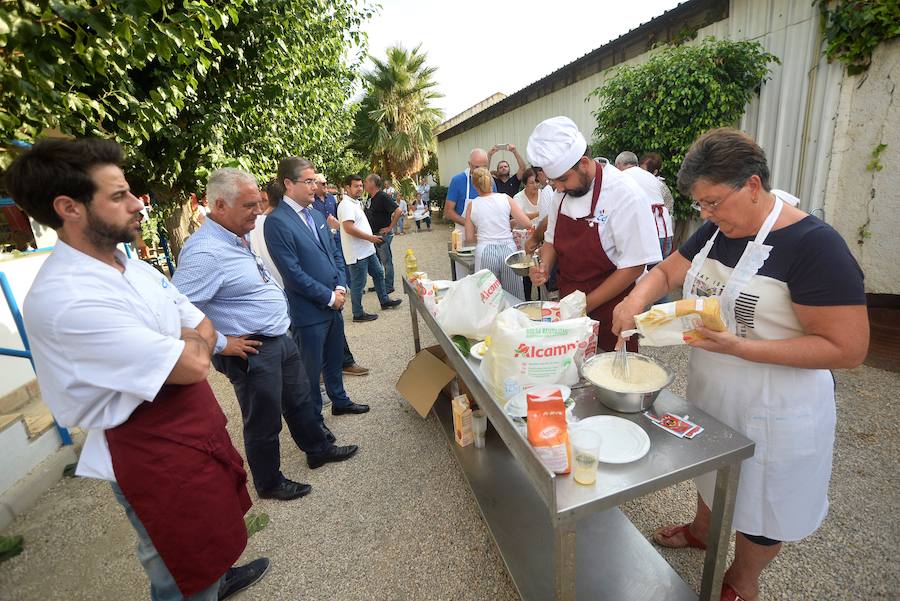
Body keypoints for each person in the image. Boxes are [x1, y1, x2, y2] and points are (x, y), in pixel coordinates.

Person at [611, 128, 869, 601]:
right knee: (713, 468)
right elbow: (670, 270)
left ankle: (741, 579)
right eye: (700, 206)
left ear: (752, 185)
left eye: (713, 202)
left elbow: (848, 348)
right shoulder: (718, 230)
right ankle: (703, 531)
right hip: (718, 385)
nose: (705, 215)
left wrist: (740, 348)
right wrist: (634, 299)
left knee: (768, 498)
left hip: (779, 404)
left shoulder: (814, 245)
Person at [6, 138, 268, 601]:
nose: (137, 205)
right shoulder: (68, 298)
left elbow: (201, 323)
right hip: (148, 448)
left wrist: (189, 342)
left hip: (189, 427)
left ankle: (220, 577)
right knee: (179, 568)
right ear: (69, 207)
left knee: (214, 532)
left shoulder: (128, 264)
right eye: (118, 196)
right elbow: (194, 362)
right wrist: (190, 343)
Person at [173, 168, 359, 494]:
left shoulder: (235, 236)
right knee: (264, 418)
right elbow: (177, 311)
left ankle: (318, 450)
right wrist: (220, 343)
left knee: (300, 400)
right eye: (248, 205)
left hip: (278, 338)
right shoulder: (204, 252)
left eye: (258, 202)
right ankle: (269, 482)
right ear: (218, 206)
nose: (258, 211)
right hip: (251, 348)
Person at [526, 116, 661, 351]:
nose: (557, 188)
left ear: (584, 163)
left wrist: (586, 304)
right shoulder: (561, 194)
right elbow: (551, 241)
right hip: (571, 303)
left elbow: (634, 266)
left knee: (608, 376)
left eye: (563, 179)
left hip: (612, 308)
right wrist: (544, 267)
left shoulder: (625, 194)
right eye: (553, 181)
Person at [265, 157, 370, 443]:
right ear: (288, 183)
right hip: (309, 311)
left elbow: (334, 253)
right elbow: (293, 273)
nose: (315, 186)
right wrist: (328, 297)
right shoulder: (276, 222)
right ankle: (315, 423)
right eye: (308, 181)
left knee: (334, 358)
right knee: (310, 373)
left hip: (333, 302)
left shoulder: (316, 214)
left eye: (315, 181)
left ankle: (340, 400)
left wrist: (341, 286)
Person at [312, 173, 370, 376]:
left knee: (335, 323)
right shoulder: (282, 221)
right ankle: (320, 371)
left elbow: (333, 246)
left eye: (319, 182)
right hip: (313, 287)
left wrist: (338, 285)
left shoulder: (328, 201)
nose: (324, 187)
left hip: (333, 257)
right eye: (319, 183)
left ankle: (344, 363)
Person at [338, 174, 402, 322]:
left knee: (379, 273)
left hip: (367, 250)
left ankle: (384, 301)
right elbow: (349, 228)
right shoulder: (346, 204)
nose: (360, 188)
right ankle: (358, 314)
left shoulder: (355, 202)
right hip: (357, 253)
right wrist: (371, 238)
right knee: (358, 283)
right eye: (356, 186)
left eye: (361, 185)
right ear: (347, 188)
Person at [464, 167, 533, 300]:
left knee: (488, 300)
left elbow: (469, 238)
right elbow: (526, 223)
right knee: (514, 297)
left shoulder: (472, 205)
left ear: (474, 185)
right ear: (492, 182)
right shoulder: (505, 198)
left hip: (485, 251)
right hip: (508, 251)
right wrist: (509, 224)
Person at [616, 151, 674, 262]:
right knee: (658, 271)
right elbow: (669, 205)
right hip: (665, 232)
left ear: (618, 164)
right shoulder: (655, 180)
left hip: (645, 235)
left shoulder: (620, 178)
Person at [446, 149, 496, 278]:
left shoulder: (490, 181)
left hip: (486, 233)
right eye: (476, 167)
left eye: (484, 166)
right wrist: (469, 224)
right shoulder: (458, 180)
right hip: (462, 234)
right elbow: (449, 211)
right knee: (464, 276)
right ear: (469, 164)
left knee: (486, 275)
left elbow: (494, 206)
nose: (480, 170)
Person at [364, 174, 403, 294]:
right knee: (377, 262)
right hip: (373, 235)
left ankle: (389, 286)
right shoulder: (370, 198)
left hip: (382, 235)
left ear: (372, 183)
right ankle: (380, 284)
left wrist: (390, 227)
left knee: (386, 260)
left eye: (366, 181)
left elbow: (398, 210)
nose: (364, 184)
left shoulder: (382, 196)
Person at [640, 151, 676, 258]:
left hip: (659, 233)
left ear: (655, 172)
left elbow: (669, 209)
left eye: (643, 170)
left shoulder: (659, 186)